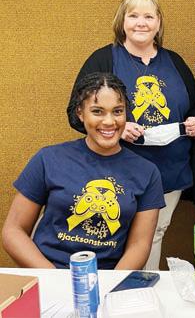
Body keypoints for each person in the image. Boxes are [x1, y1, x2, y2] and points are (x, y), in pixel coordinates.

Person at [67, 0, 195, 270]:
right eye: (133, 16)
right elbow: (75, 112)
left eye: (148, 16)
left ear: (158, 23)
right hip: (118, 171)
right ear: (122, 21)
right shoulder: (103, 60)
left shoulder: (174, 62)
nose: (141, 23)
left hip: (169, 172)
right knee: (113, 232)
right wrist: (117, 127)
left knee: (154, 234)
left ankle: (145, 288)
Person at [2, 72, 165, 269]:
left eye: (117, 111)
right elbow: (13, 231)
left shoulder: (147, 172)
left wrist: (111, 283)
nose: (109, 121)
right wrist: (55, 277)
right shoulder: (48, 159)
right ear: (80, 112)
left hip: (108, 279)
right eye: (97, 111)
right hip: (49, 273)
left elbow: (139, 245)